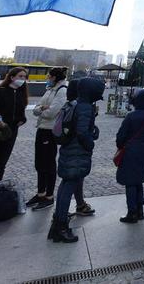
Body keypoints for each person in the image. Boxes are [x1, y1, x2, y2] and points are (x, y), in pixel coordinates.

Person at [48, 77, 104, 243]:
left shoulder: (73, 103)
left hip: (68, 150)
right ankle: (61, 227)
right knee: (68, 187)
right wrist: (90, 143)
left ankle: (57, 224)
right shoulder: (85, 107)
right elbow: (81, 132)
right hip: (77, 153)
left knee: (65, 185)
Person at [28, 67, 69, 211]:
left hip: (50, 131)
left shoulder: (62, 90)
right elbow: (36, 108)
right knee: (39, 163)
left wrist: (41, 109)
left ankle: (49, 196)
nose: (47, 78)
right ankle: (40, 193)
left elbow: (52, 112)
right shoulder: (50, 89)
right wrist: (41, 109)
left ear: (54, 77)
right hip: (41, 128)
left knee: (49, 163)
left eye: (49, 76)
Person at [116, 89, 144, 224]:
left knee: (130, 183)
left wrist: (122, 145)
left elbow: (121, 137)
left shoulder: (131, 116)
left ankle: (132, 212)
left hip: (130, 152)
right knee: (138, 180)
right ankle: (140, 210)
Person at [63, 78, 95, 217]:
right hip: (77, 149)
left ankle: (64, 212)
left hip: (69, 147)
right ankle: (61, 219)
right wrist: (90, 143)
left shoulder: (71, 105)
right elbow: (82, 131)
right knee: (71, 181)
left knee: (70, 180)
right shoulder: (82, 106)